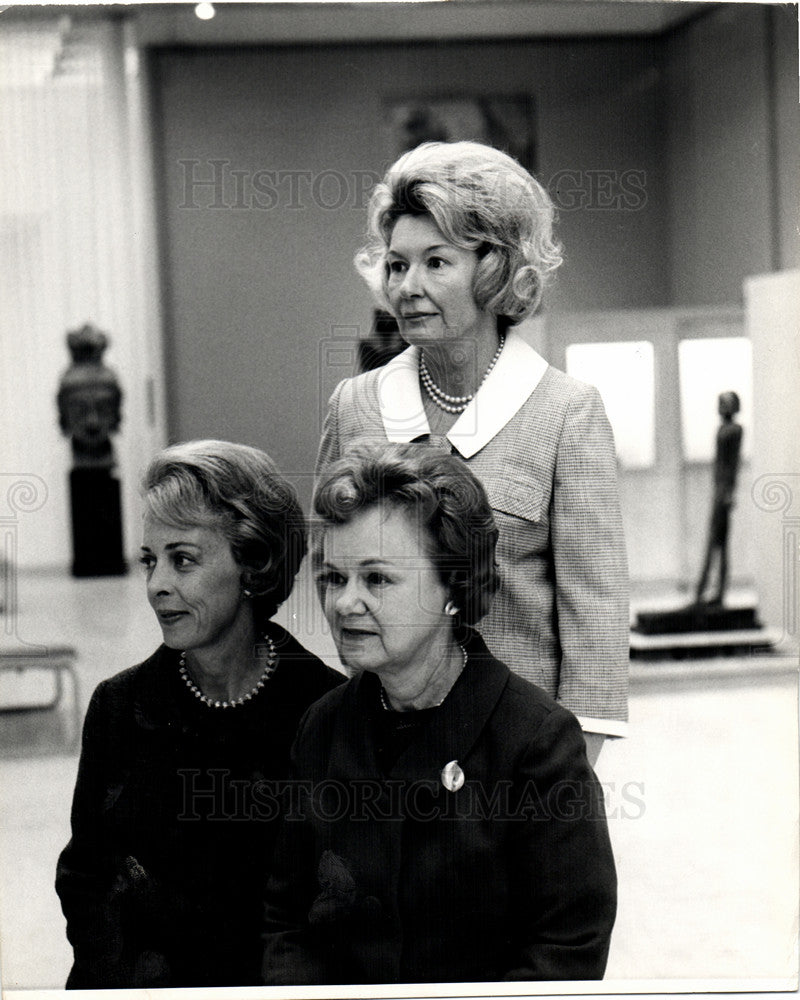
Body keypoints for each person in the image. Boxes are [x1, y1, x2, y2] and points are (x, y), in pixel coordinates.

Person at [316, 140, 629, 764]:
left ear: (494, 272)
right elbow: (333, 572)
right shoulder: (355, 406)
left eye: (436, 262)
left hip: (518, 758)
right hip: (384, 747)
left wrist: (564, 774)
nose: (407, 286)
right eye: (397, 265)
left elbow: (595, 616)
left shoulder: (567, 413)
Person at [262, 443, 617, 985]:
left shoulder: (537, 742)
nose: (343, 603)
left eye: (377, 579)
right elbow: (287, 922)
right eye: (334, 578)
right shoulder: (323, 727)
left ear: (454, 585)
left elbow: (566, 949)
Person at [56, 440, 342, 988]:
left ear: (254, 564)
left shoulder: (322, 711)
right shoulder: (119, 707)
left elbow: (332, 905)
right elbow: (85, 879)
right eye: (150, 560)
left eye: (182, 558)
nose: (157, 583)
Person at [695, 391, 743, 605]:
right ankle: (707, 592)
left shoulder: (734, 430)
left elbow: (732, 464)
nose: (720, 407)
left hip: (723, 491)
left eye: (724, 404)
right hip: (719, 490)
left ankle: (712, 592)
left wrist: (729, 493)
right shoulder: (724, 429)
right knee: (716, 542)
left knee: (719, 543)